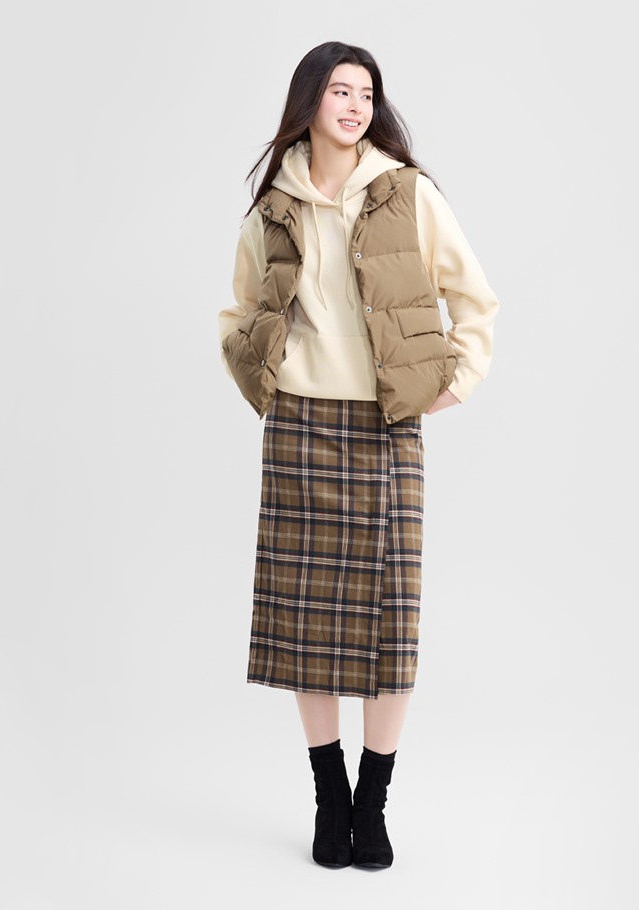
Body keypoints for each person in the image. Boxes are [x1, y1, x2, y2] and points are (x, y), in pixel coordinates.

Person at [218, 40, 499, 870]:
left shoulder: (406, 193)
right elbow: (239, 310)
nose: (354, 105)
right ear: (309, 101)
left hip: (384, 427)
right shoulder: (276, 206)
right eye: (340, 91)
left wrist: (454, 382)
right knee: (308, 627)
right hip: (300, 427)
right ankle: (329, 797)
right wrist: (261, 378)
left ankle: (372, 804)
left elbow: (474, 298)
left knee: (388, 628)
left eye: (366, 94)